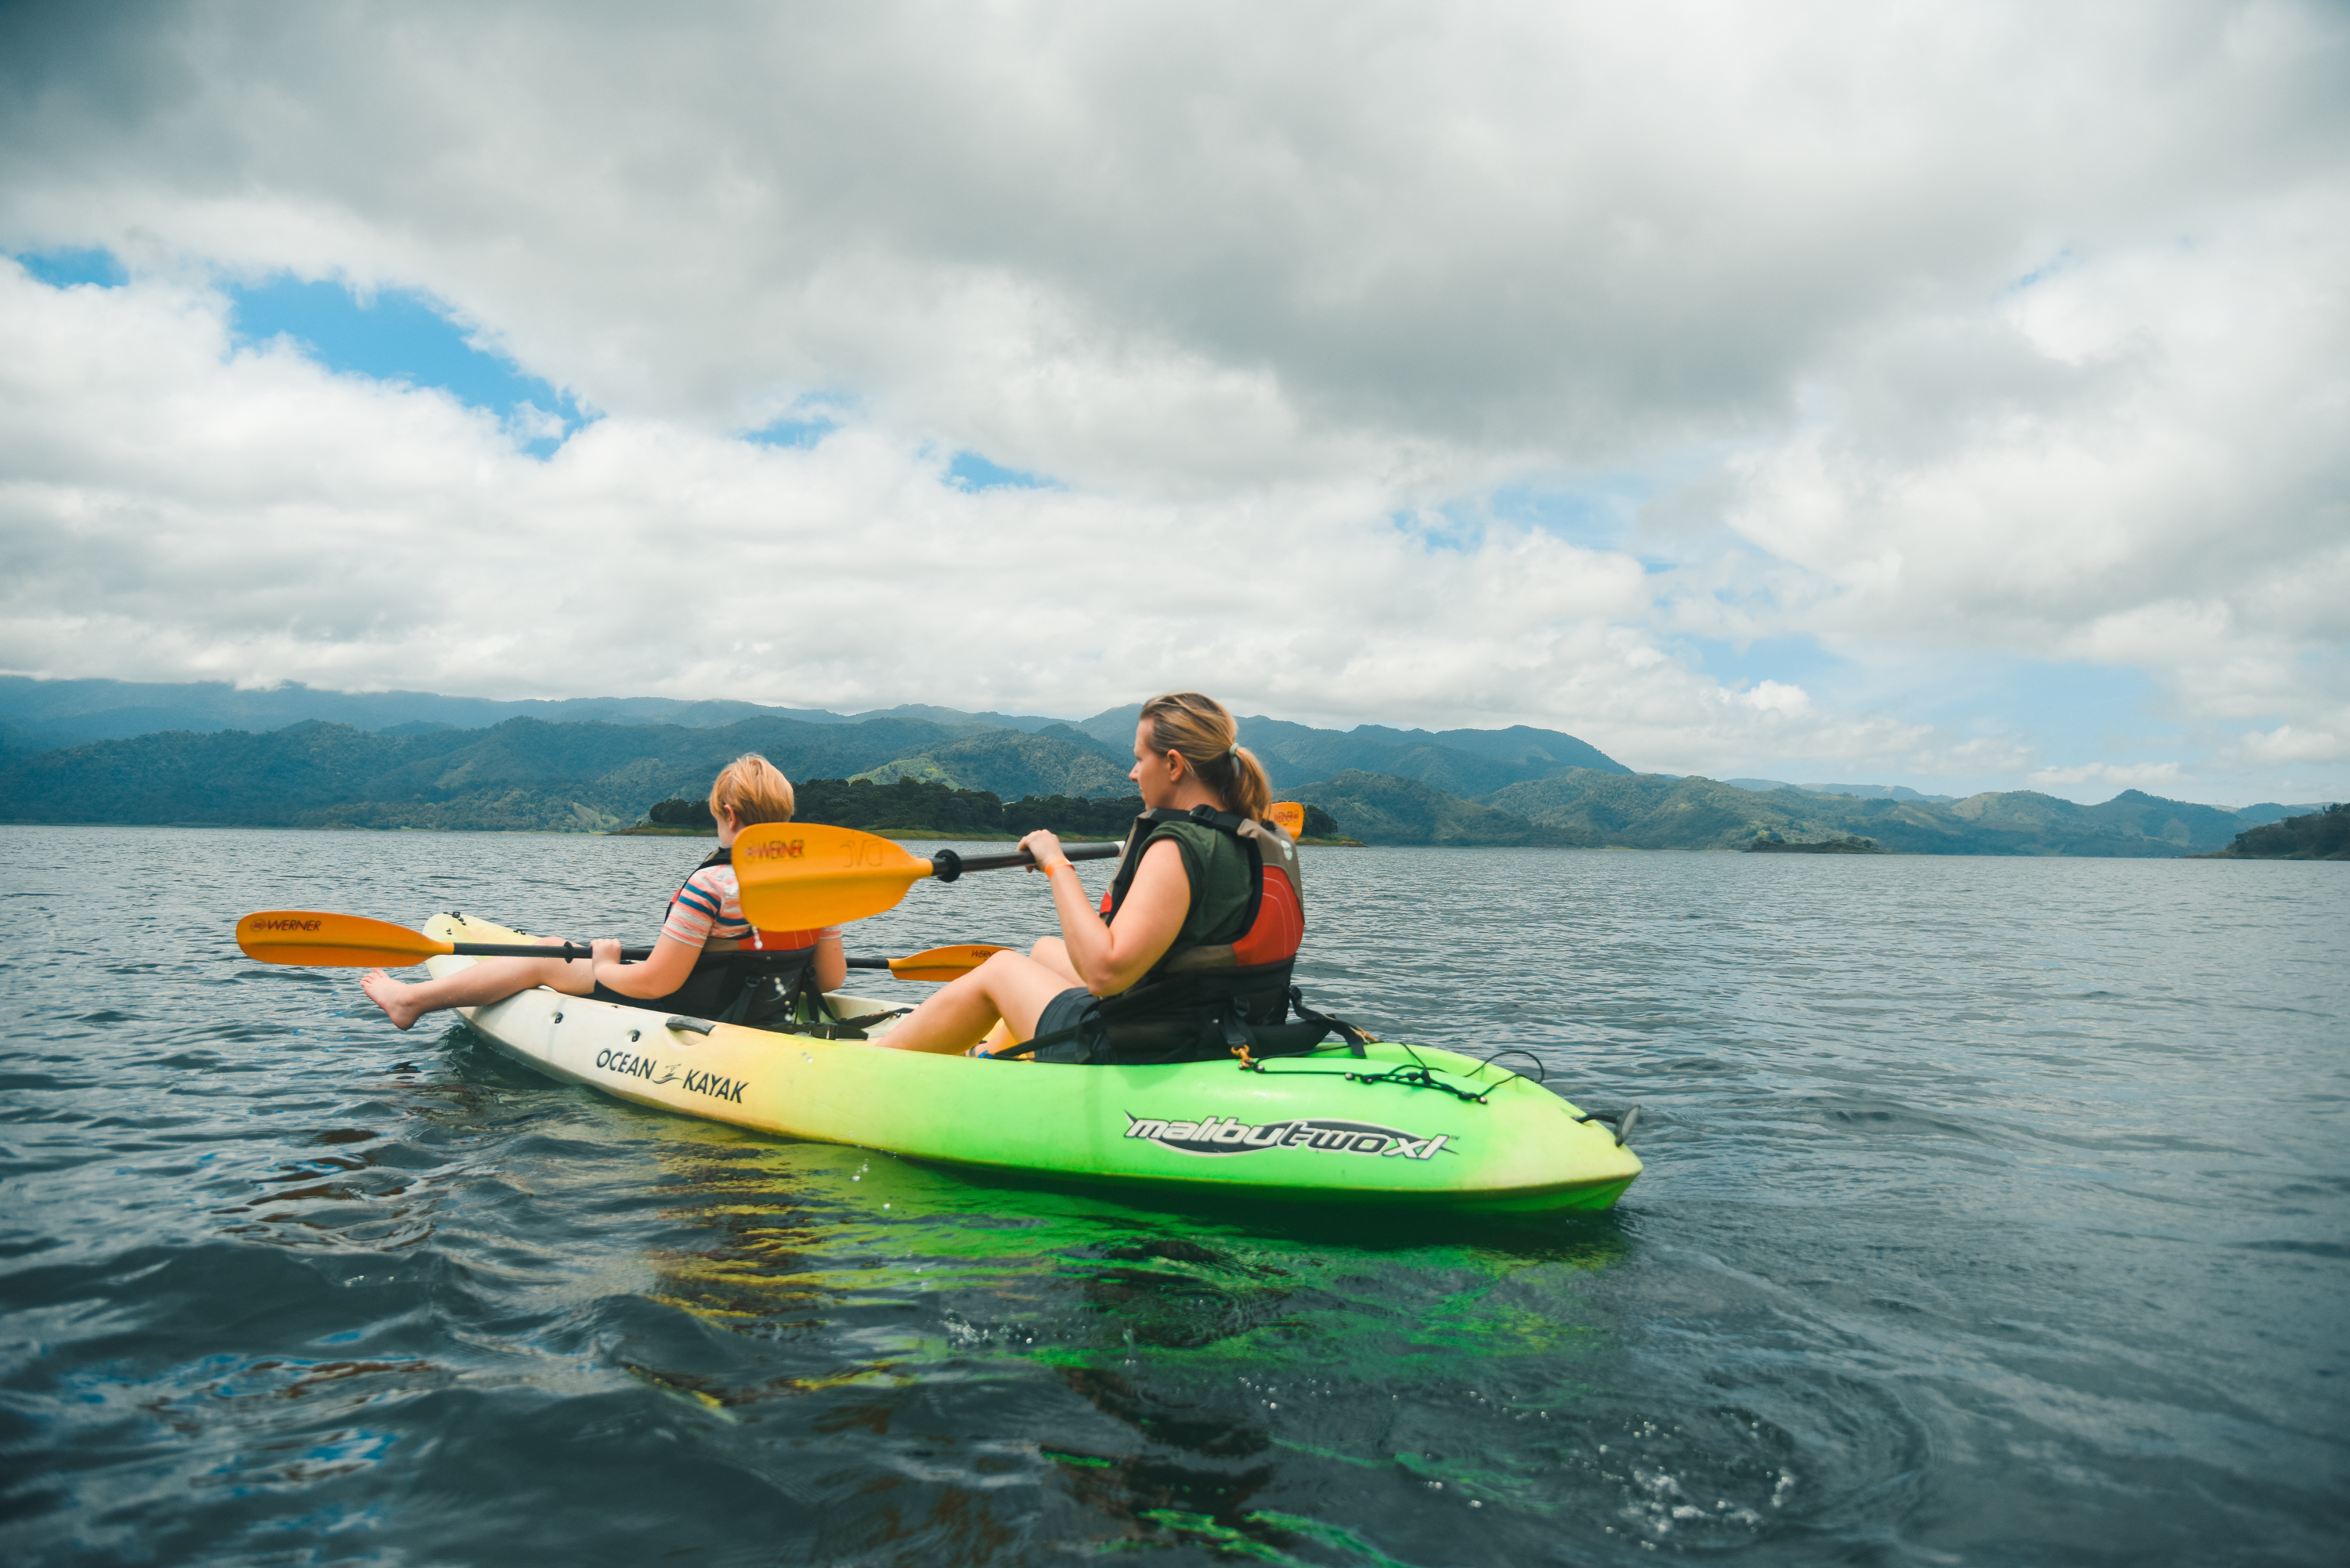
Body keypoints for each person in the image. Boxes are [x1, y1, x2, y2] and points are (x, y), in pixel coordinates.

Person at [875, 691, 1307, 1062]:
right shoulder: (1255, 837)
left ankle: (869, 1069)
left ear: (1173, 764)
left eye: (1140, 759)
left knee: (1001, 968)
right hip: (1226, 1022)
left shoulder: (1178, 846)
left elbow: (1105, 974)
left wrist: (1055, 864)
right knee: (1045, 950)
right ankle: (995, 1060)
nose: (1133, 773)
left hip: (1151, 1044)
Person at [360, 754, 847, 1030]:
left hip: (694, 1012)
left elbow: (658, 984)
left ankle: (412, 1002)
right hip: (759, 1011)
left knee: (549, 953)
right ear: (786, 817)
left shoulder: (710, 885)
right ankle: (417, 999)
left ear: (727, 812)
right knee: (569, 955)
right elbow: (830, 980)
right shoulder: (818, 887)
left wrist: (610, 965)